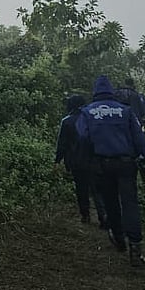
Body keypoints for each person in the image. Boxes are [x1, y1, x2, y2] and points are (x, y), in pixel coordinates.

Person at [76, 75, 145, 267]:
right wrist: (144, 157)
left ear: (95, 92)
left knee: (111, 203)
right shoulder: (125, 111)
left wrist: (87, 160)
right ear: (112, 92)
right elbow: (139, 138)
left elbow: (83, 137)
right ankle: (136, 250)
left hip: (102, 165)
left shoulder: (87, 112)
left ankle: (118, 238)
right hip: (126, 164)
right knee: (130, 204)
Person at [55, 93, 108, 228]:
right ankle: (103, 217)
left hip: (76, 161)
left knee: (81, 189)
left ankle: (85, 215)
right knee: (97, 189)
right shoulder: (92, 118)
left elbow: (62, 144)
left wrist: (57, 160)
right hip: (94, 159)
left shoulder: (67, 121)